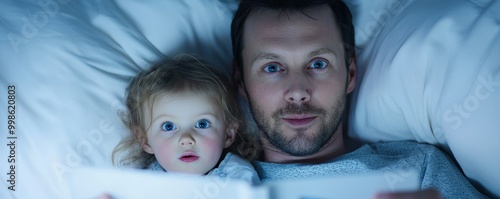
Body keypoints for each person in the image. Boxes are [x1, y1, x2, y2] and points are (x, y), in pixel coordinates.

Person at [230, 0, 486, 198]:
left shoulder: (419, 170)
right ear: (242, 82)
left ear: (350, 74)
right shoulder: (217, 182)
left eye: (318, 63)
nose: (298, 91)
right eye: (272, 68)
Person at [112, 54, 260, 184]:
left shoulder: (238, 178)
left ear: (228, 134)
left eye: (202, 124)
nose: (186, 139)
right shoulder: (142, 182)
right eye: (168, 126)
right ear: (145, 140)